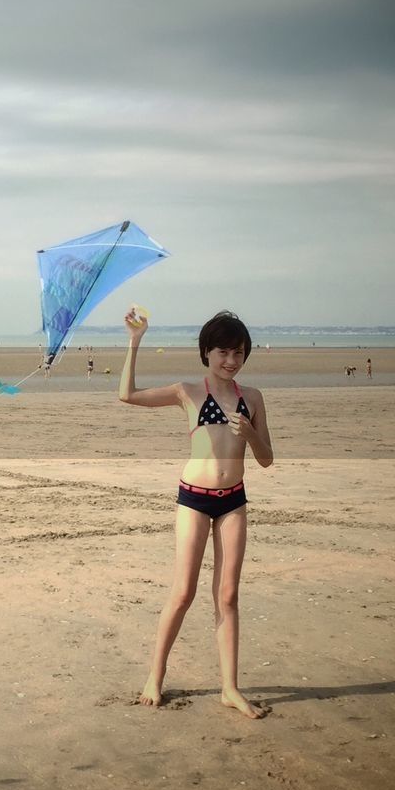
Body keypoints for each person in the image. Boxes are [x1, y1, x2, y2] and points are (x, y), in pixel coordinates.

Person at [119, 308, 275, 720]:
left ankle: (230, 688)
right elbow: (127, 395)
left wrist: (252, 433)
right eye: (223, 351)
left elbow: (266, 459)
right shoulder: (188, 391)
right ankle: (156, 675)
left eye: (238, 352)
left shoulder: (252, 398)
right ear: (207, 352)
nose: (231, 360)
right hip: (194, 499)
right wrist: (136, 341)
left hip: (233, 501)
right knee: (184, 592)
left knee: (227, 596)